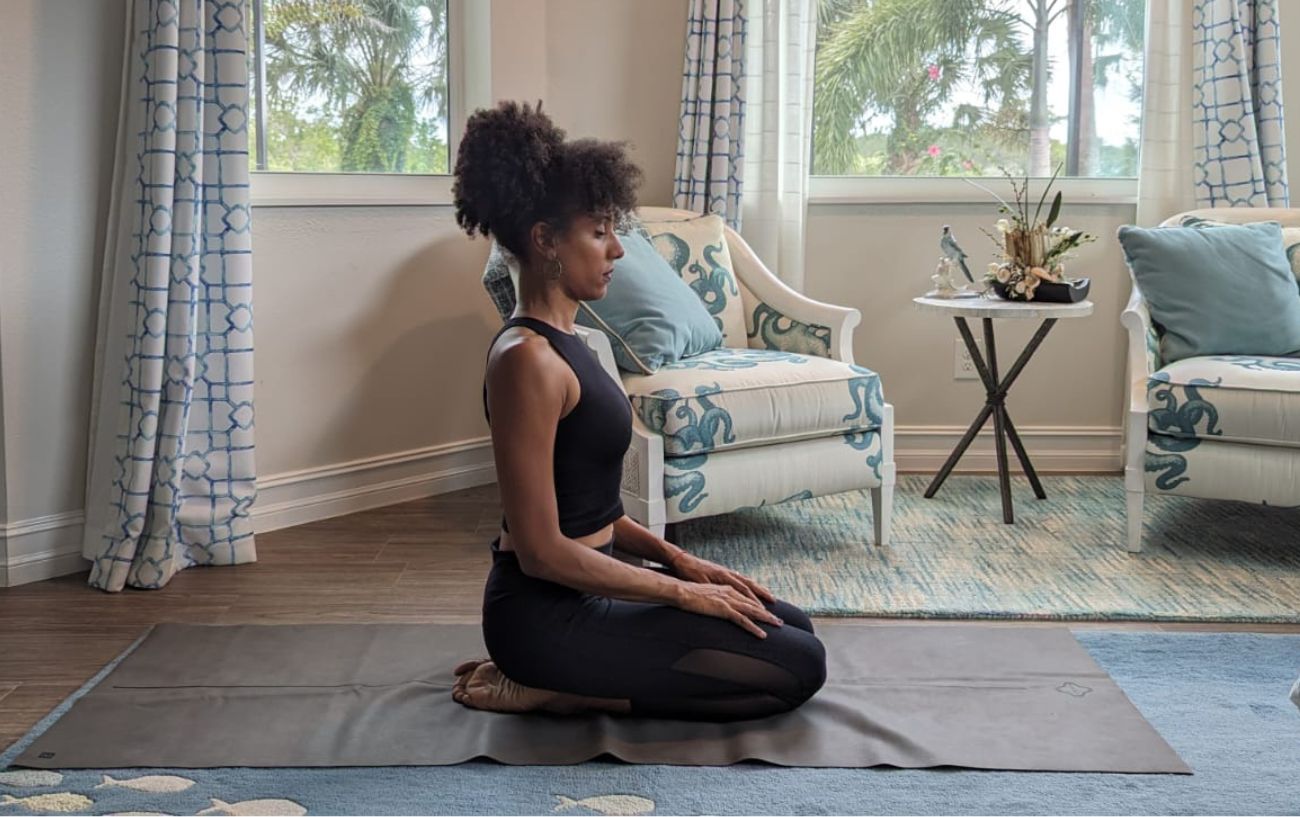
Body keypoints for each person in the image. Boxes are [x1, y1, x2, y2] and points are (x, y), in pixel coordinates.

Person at [449, 100, 826, 721]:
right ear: (545, 241)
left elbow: (597, 511)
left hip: (595, 584)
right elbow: (541, 550)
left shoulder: (574, 344)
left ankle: (571, 676)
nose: (617, 249)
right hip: (545, 616)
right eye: (599, 232)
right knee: (794, 669)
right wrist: (679, 595)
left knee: (793, 626)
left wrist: (685, 562)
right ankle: (556, 689)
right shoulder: (526, 361)